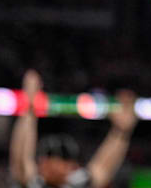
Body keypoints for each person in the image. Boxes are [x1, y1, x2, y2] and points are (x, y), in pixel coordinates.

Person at [9, 69, 139, 188]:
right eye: (45, 160)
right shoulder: (36, 183)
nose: (45, 165)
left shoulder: (76, 183)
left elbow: (102, 169)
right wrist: (28, 110)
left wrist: (121, 131)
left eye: (60, 161)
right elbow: (20, 160)